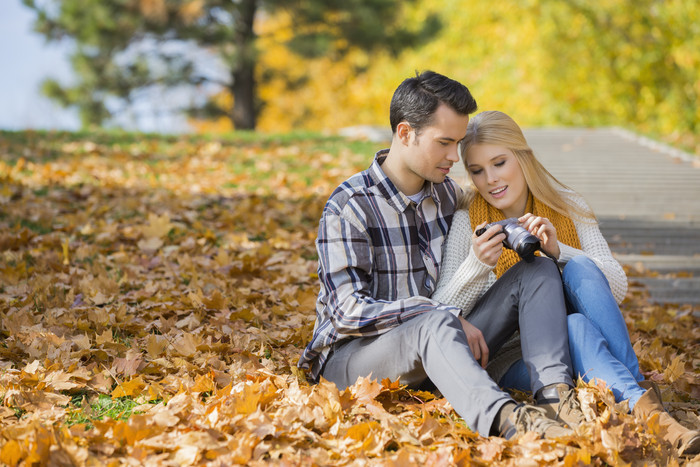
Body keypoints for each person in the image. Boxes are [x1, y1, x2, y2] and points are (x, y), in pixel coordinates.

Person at [298, 71, 583, 440]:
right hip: (354, 360)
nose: (455, 157)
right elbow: (346, 312)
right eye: (445, 143)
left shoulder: (447, 195)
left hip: (440, 348)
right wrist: (437, 312)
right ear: (405, 133)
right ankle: (513, 422)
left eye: (458, 143)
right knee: (433, 323)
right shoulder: (350, 207)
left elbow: (494, 198)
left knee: (537, 269)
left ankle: (557, 398)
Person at [433, 110, 700, 456]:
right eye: (477, 170)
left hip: (580, 337)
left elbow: (617, 287)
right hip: (518, 356)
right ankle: (646, 404)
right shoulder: (468, 220)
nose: (490, 180)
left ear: (522, 157)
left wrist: (559, 251)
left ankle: (641, 406)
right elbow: (441, 307)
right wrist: (476, 263)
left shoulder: (567, 203)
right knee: (572, 326)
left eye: (499, 163)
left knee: (580, 280)